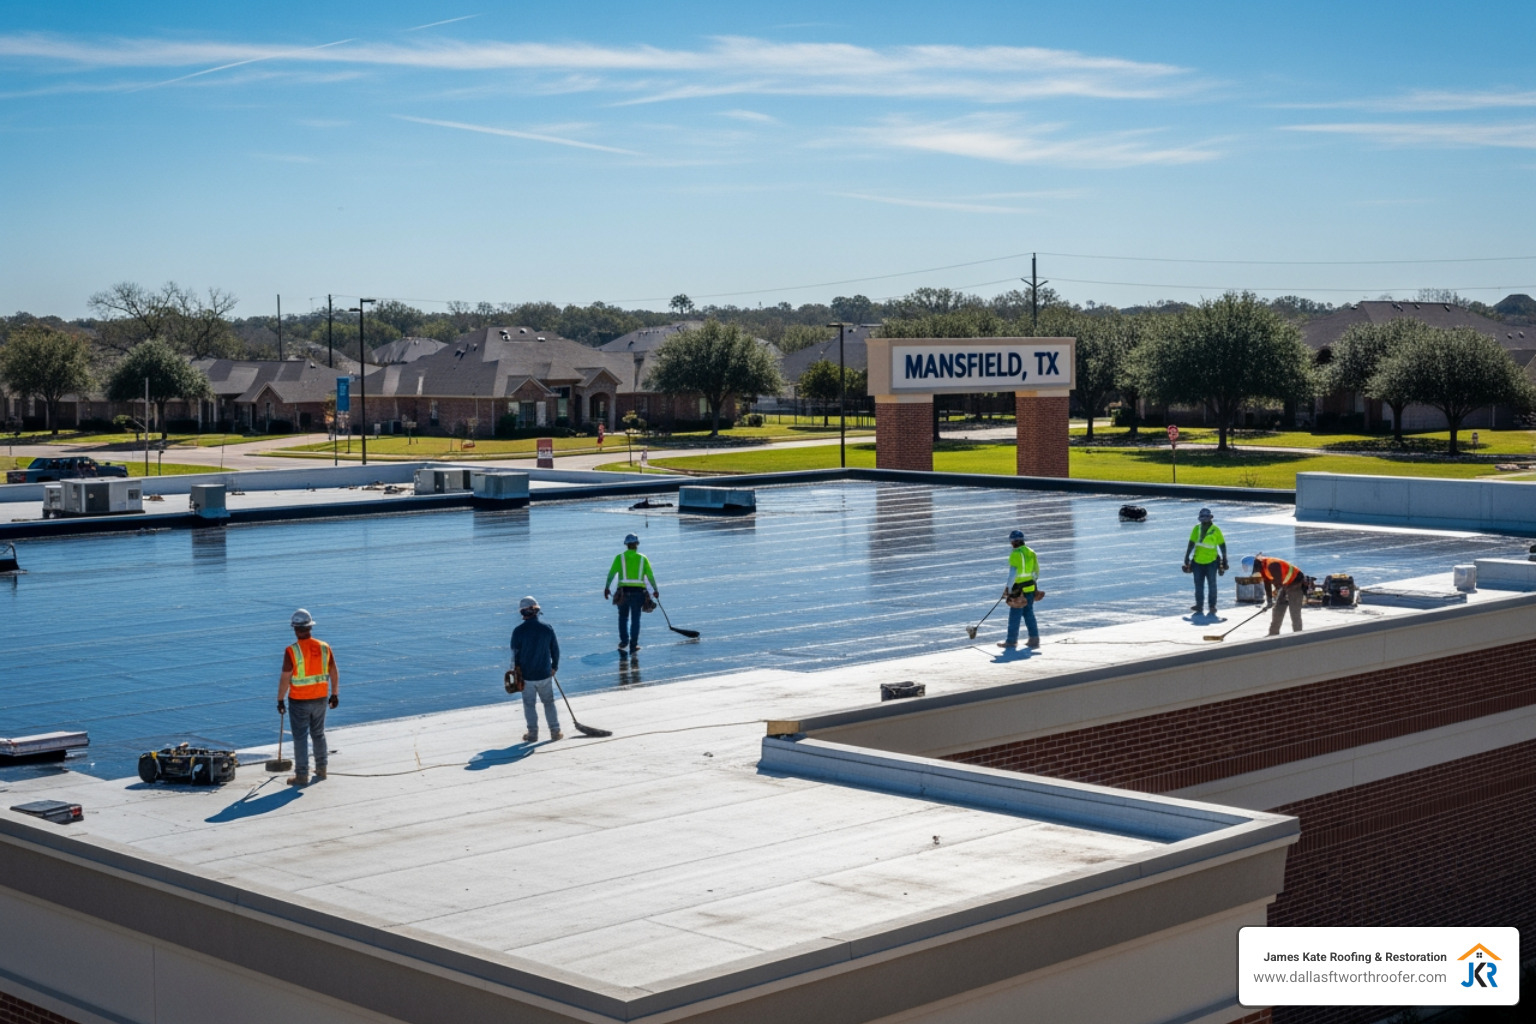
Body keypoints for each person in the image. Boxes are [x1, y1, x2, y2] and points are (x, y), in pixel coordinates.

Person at [276, 608, 338, 786]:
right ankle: (322, 769)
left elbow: (285, 678)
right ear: (310, 627)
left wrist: (280, 699)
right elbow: (333, 671)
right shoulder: (325, 647)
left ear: (295, 629)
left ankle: (302, 775)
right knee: (318, 734)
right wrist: (334, 694)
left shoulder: (291, 651)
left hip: (299, 700)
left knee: (301, 737)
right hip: (320, 698)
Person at [511, 596, 562, 742]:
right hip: (545, 673)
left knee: (529, 705)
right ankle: (555, 731)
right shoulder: (547, 628)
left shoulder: (518, 631)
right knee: (549, 703)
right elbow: (555, 651)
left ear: (522, 613)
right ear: (537, 611)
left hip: (526, 676)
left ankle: (533, 734)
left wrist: (515, 673)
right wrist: (554, 667)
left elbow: (515, 655)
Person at [604, 532, 658, 652]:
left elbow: (612, 574)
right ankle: (633, 645)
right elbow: (650, 576)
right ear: (637, 544)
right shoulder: (643, 559)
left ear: (626, 545)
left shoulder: (620, 558)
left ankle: (624, 642)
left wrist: (607, 587)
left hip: (623, 593)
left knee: (623, 618)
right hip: (638, 594)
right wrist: (655, 590)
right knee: (635, 619)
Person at [1243, 554, 1306, 636]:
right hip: (1285, 585)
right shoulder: (1263, 568)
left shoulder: (1272, 565)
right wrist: (1269, 600)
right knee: (1277, 610)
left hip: (1296, 583)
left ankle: (1298, 636)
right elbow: (1267, 583)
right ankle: (1273, 634)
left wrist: (1275, 595)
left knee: (1294, 612)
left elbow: (1278, 583)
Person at [1182, 507, 1229, 616]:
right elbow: (1191, 543)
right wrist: (1186, 556)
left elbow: (1222, 545)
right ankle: (1199, 605)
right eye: (1202, 518)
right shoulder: (1196, 529)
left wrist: (1224, 559)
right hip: (1197, 562)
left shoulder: (1216, 530)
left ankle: (1212, 606)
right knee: (1198, 585)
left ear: (1210, 518)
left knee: (1212, 585)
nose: (1204, 521)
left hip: (1211, 562)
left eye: (1205, 518)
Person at [999, 529, 1041, 649]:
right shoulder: (1031, 552)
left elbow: (1013, 574)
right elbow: (1036, 571)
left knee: (1014, 617)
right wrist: (1032, 584)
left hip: (1018, 592)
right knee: (1029, 614)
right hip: (1030, 589)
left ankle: (1011, 641)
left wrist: (1008, 588)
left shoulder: (1015, 554)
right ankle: (1034, 639)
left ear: (1013, 541)